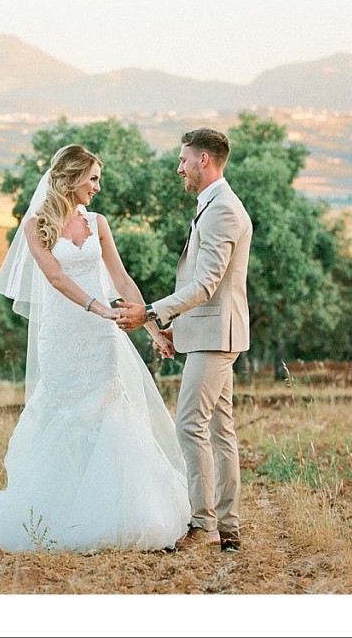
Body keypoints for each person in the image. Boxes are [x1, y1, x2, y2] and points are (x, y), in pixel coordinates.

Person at [0, 144, 190, 553]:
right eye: (93, 178)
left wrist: (153, 328)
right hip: (64, 335)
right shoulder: (36, 225)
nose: (98, 187)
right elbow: (55, 278)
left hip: (102, 338)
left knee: (108, 413)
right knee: (64, 414)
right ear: (71, 178)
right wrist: (99, 308)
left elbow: (122, 280)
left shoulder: (98, 223)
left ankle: (116, 509)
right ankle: (58, 512)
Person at [116, 128, 252, 553]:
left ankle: (205, 524)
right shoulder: (214, 205)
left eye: (183, 160)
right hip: (210, 331)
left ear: (204, 161)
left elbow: (207, 284)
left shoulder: (221, 210)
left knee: (189, 424)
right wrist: (181, 328)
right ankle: (226, 527)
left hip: (217, 335)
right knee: (219, 429)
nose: (179, 168)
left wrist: (153, 312)